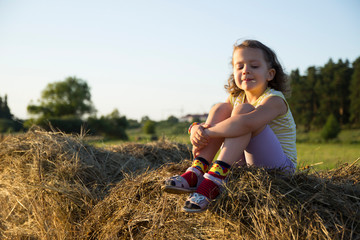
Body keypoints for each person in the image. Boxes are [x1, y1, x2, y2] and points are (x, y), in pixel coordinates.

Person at [163, 39, 297, 213]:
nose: (246, 70)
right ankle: (198, 170)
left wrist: (207, 132)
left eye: (254, 66)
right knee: (220, 108)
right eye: (239, 66)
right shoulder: (236, 98)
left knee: (243, 112)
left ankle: (214, 180)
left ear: (270, 74)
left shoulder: (275, 100)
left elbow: (246, 123)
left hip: (279, 169)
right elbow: (223, 120)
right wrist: (196, 128)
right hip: (243, 164)